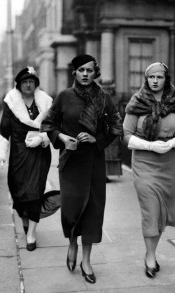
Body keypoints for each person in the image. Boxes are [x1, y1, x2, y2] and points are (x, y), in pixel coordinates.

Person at [41, 54, 123, 283]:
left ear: (94, 72)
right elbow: (48, 124)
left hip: (94, 162)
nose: (85, 74)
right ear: (74, 73)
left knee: (93, 210)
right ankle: (71, 244)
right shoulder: (64, 97)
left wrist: (97, 138)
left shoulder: (103, 97)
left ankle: (87, 261)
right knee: (72, 208)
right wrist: (63, 138)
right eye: (81, 70)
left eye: (89, 70)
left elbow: (116, 125)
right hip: (70, 162)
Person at [123, 62, 175, 278]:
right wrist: (151, 145)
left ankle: (151, 252)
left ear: (166, 79)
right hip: (144, 162)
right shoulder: (137, 102)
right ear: (146, 79)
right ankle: (150, 257)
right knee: (151, 210)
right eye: (151, 77)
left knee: (161, 213)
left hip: (168, 163)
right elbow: (125, 135)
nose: (155, 80)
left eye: (159, 77)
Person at [0, 66, 54, 252]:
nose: (28, 84)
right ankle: (25, 221)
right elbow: (3, 129)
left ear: (36, 84)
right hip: (19, 153)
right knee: (18, 192)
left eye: (31, 81)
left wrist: (42, 139)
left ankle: (32, 234)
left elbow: (53, 127)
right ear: (18, 85)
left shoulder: (46, 102)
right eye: (25, 82)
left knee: (35, 192)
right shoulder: (11, 102)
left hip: (40, 154)